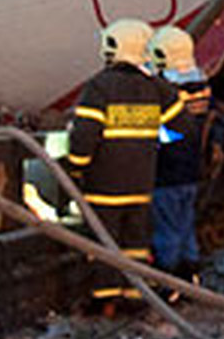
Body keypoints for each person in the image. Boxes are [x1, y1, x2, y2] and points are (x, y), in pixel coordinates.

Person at [67, 18, 179, 308]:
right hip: (141, 184)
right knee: (135, 244)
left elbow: (84, 138)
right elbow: (182, 128)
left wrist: (76, 167)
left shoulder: (99, 88)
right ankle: (135, 295)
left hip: (104, 185)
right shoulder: (156, 88)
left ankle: (106, 301)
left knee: (105, 244)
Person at [149, 26, 210, 279]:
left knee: (168, 231)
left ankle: (170, 281)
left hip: (167, 172)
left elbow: (168, 132)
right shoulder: (202, 83)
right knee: (186, 227)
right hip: (192, 170)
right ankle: (192, 274)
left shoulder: (166, 88)